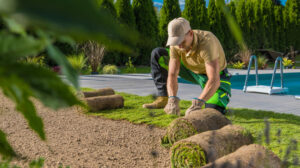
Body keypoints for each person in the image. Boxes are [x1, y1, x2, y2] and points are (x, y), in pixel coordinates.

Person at [142, 17, 231, 116]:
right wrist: (172, 99)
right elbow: (172, 74)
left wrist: (198, 103)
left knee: (213, 110)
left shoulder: (207, 42)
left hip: (215, 76)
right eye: (176, 42)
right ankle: (164, 98)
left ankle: (219, 103)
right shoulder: (175, 44)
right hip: (191, 71)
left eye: (182, 41)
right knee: (158, 54)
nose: (179, 46)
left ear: (191, 33)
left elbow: (214, 80)